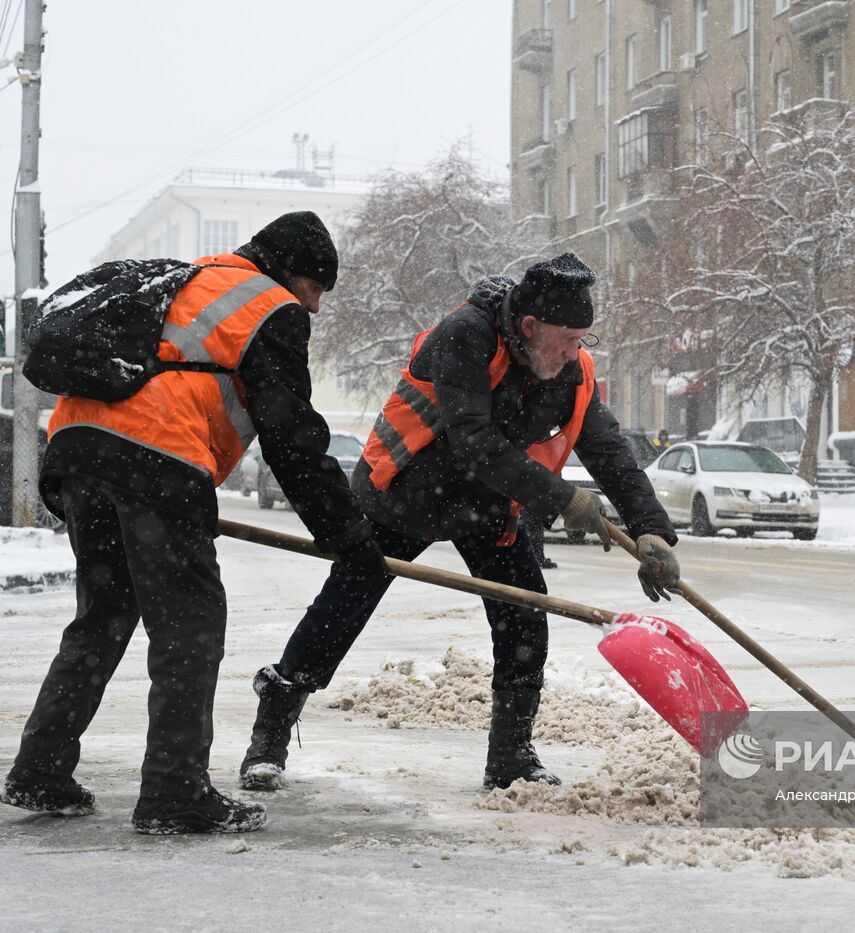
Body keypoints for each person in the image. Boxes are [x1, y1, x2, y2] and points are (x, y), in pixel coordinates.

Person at [1, 212, 385, 835]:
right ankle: (175, 793)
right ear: (291, 273)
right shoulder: (268, 305)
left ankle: (41, 769)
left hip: (78, 449)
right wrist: (348, 538)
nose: (312, 308)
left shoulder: (184, 280)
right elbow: (293, 439)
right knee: (190, 626)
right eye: (315, 291)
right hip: (154, 458)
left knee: (102, 617)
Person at [239, 254, 680, 793]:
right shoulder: (466, 335)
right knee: (342, 608)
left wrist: (650, 527)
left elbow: (610, 451)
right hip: (403, 494)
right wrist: (564, 499)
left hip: (486, 506)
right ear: (529, 327)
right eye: (566, 339)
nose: (574, 353)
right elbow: (474, 441)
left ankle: (511, 757)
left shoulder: (570, 369)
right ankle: (270, 735)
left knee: (524, 614)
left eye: (582, 340)